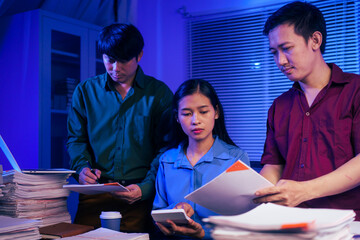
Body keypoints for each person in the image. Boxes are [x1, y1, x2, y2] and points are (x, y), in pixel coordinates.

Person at [253, 1, 360, 219]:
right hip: (290, 222)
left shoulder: (355, 91)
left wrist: (304, 191)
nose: (280, 61)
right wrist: (249, 193)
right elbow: (274, 166)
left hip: (346, 223)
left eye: (287, 48)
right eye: (274, 52)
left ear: (315, 40)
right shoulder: (279, 106)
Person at [66, 23, 173, 233]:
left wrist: (146, 188)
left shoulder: (159, 94)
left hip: (139, 196)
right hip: (95, 194)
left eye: (123, 61)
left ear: (139, 56)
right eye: (109, 59)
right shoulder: (85, 91)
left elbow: (166, 149)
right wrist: (82, 168)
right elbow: (76, 139)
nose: (116, 68)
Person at [153, 79, 249, 239]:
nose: (195, 120)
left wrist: (204, 233)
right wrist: (175, 210)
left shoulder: (236, 159)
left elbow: (244, 220)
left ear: (216, 112)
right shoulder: (166, 160)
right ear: (177, 117)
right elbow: (158, 213)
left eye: (203, 112)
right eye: (187, 113)